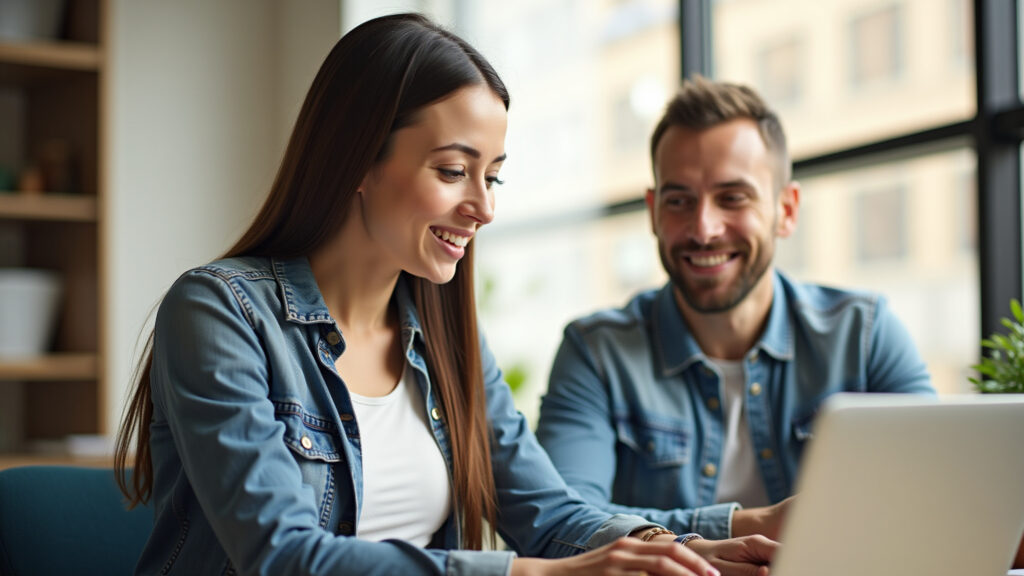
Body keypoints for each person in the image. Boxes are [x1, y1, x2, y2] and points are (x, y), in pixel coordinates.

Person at [113, 15, 776, 576]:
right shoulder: (219, 313)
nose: (483, 208)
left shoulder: (446, 338)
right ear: (358, 159)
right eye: (454, 170)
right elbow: (284, 556)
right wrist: (533, 573)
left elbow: (546, 512)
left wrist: (686, 553)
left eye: (494, 177)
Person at [535, 76, 937, 544]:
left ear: (786, 210)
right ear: (652, 212)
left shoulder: (864, 336)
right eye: (679, 201)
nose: (703, 229)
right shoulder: (596, 352)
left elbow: (928, 499)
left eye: (732, 198)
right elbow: (561, 527)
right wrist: (737, 527)